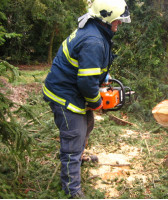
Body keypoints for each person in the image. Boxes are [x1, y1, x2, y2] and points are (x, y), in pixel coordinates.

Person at [42, 0, 131, 198]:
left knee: (87, 124)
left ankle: (78, 157)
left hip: (73, 88)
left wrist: (103, 78)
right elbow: (86, 83)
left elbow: (89, 69)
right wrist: (97, 102)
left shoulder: (96, 30)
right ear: (106, 18)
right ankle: (71, 189)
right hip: (64, 94)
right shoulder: (94, 40)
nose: (119, 24)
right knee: (74, 136)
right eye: (117, 20)